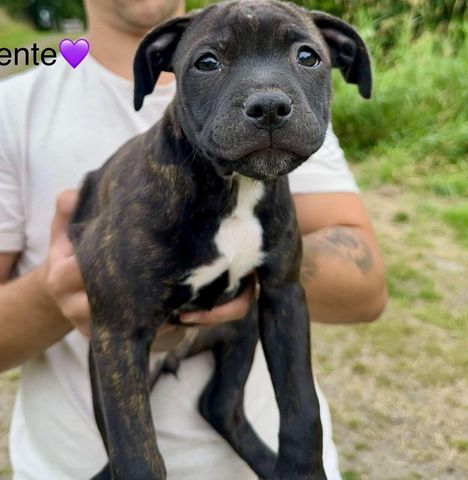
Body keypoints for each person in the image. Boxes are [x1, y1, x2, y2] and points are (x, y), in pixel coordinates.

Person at [0, 0, 387, 479]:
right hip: (69, 462)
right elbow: (117, 329)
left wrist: (252, 270)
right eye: (208, 62)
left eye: (305, 57)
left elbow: (358, 293)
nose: (268, 98)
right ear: (165, 64)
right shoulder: (15, 109)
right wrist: (55, 292)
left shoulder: (285, 137)